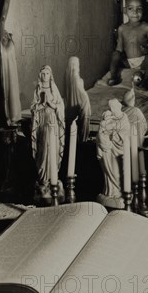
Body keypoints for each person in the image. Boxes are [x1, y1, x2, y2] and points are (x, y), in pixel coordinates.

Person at [31, 65, 66, 204]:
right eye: (43, 73)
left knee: (53, 150)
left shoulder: (53, 89)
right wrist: (41, 104)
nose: (45, 75)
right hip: (42, 127)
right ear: (40, 75)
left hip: (53, 126)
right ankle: (43, 180)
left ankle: (53, 179)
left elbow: (60, 107)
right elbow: (33, 107)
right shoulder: (38, 89)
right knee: (43, 151)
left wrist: (50, 103)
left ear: (50, 75)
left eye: (47, 73)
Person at [108, 0, 148, 89]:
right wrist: (118, 55)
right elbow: (119, 47)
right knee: (115, 54)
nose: (135, 12)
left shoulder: (146, 27)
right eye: (131, 8)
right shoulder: (122, 28)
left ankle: (147, 79)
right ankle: (114, 76)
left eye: (139, 9)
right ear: (125, 10)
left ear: (144, 10)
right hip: (128, 62)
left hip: (143, 61)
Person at [96, 99, 131, 209]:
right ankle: (110, 191)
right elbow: (101, 132)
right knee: (108, 171)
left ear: (118, 107)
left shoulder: (124, 119)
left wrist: (113, 134)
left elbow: (125, 134)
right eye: (111, 109)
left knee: (117, 173)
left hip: (119, 152)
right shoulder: (109, 118)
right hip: (108, 150)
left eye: (113, 108)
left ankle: (118, 192)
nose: (112, 110)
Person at [65, 56, 91, 142]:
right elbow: (81, 93)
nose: (78, 66)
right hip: (82, 103)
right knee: (83, 122)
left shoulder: (67, 76)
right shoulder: (75, 77)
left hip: (72, 105)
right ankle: (83, 139)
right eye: (77, 64)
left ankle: (78, 139)